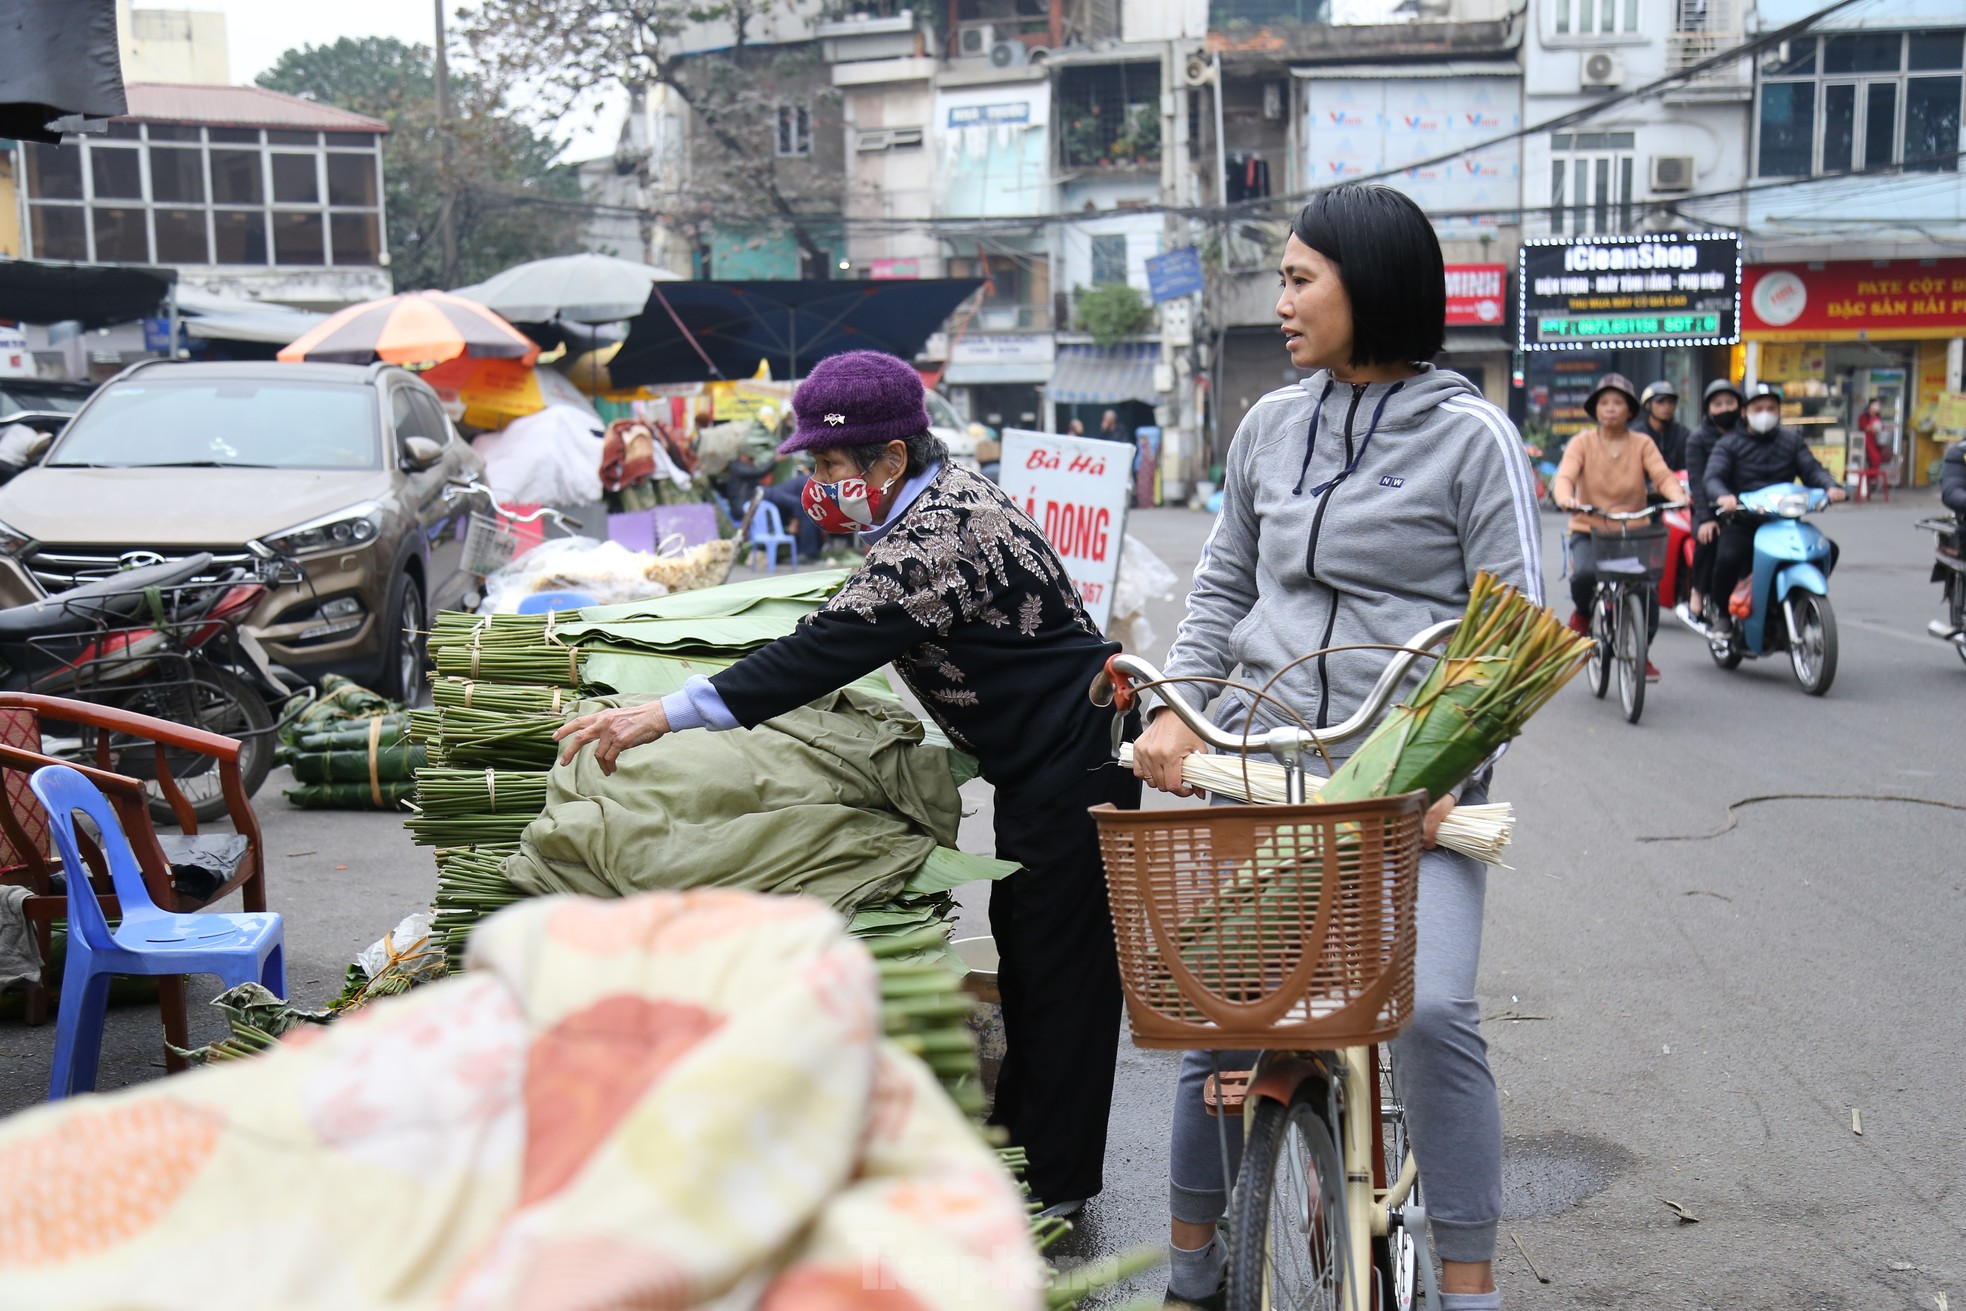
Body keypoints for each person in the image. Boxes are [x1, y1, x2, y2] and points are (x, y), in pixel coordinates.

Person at [553, 350, 1137, 1220]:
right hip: (1037, 765)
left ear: (890, 460)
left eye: (830, 466)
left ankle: (1058, 1189)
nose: (821, 484)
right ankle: (1024, 1139)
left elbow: (820, 650)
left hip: (1074, 762)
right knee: (1026, 955)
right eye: (816, 467)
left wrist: (660, 713)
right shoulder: (936, 500)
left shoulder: (938, 537)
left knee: (1061, 979)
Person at [1131, 183, 1542, 1311]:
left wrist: (1432, 784)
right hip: (1259, 764)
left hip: (1409, 785)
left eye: (1300, 277)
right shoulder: (1270, 424)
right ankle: (1190, 1273)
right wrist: (1175, 707)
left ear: (1370, 285)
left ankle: (1468, 1284)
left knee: (1437, 1010)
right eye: (1282, 277)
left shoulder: (1472, 437)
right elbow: (1222, 582)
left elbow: (1512, 638)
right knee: (1213, 1020)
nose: (1282, 300)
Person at [1552, 373, 1686, 682]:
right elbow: (1565, 478)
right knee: (1584, 575)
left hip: (1632, 530)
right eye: (1604, 402)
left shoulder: (1642, 443)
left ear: (1630, 410)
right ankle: (1583, 613)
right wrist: (1566, 497)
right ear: (1595, 409)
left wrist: (1677, 494)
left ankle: (1641, 653)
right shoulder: (1581, 443)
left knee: (1648, 589)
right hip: (1590, 528)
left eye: (1618, 402)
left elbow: (1663, 477)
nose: (1611, 408)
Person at [1704, 382, 1847, 637]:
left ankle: (1802, 601)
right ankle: (1723, 615)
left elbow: (1812, 470)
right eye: (1759, 408)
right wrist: (1723, 496)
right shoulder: (1728, 444)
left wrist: (1831, 487)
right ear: (1745, 412)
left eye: (1771, 408)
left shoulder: (1791, 441)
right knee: (1728, 557)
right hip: (1744, 521)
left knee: (1827, 549)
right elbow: (1713, 477)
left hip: (1786, 522)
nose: (1765, 413)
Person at [1681, 379, 1742, 626]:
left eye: (1730, 402)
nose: (1724, 408)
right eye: (1718, 404)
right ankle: (1698, 592)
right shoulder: (1697, 439)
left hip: (1744, 507)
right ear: (1708, 409)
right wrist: (1705, 517)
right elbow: (1697, 481)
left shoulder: (1747, 434)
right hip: (1709, 507)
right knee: (1709, 536)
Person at [1632, 379, 1689, 470]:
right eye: (1660, 401)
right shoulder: (1636, 434)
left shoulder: (1682, 434)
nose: (1667, 407)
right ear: (1647, 405)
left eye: (1671, 402)